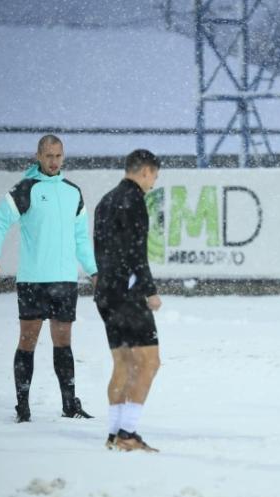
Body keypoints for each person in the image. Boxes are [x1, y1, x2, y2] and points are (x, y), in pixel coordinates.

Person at [0, 134, 97, 423]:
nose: (54, 161)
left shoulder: (73, 192)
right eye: (48, 155)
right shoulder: (26, 188)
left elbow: (81, 238)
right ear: (38, 155)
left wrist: (93, 270)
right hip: (33, 280)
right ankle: (23, 407)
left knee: (63, 343)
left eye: (58, 156)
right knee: (28, 341)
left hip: (64, 281)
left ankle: (69, 405)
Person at [93, 149, 163, 452]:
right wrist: (149, 290)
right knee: (149, 362)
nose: (152, 184)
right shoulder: (134, 201)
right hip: (127, 293)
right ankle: (128, 432)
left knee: (123, 362)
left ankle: (113, 433)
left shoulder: (105, 200)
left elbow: (101, 250)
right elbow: (136, 251)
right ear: (145, 170)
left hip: (106, 292)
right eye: (154, 177)